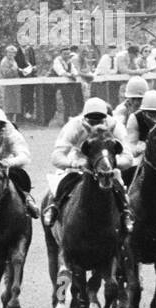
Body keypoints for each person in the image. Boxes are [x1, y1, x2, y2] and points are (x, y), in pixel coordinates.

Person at [41, 96, 134, 232]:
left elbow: (128, 158)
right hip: (79, 161)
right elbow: (56, 156)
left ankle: (125, 212)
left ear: (105, 117)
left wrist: (111, 163)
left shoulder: (115, 126)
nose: (95, 123)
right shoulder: (74, 126)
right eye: (91, 120)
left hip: (105, 163)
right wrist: (73, 163)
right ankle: (55, 207)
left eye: (99, 119)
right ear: (84, 118)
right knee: (65, 179)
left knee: (118, 182)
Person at [0, 45, 25, 126]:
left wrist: (20, 70)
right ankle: (7, 123)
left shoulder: (13, 60)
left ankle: (14, 123)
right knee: (8, 106)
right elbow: (5, 73)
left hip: (15, 86)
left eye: (13, 53)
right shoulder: (4, 61)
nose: (11, 54)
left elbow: (15, 69)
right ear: (6, 53)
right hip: (8, 86)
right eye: (9, 53)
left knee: (15, 105)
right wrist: (13, 69)